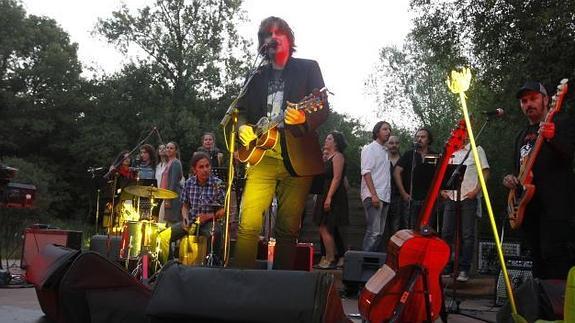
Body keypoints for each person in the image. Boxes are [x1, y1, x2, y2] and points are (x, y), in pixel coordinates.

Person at [233, 16, 329, 269]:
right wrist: (243, 126)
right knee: (247, 223)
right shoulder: (255, 75)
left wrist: (302, 118)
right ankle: (240, 283)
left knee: (287, 227)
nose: (272, 37)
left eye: (279, 33)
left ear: (289, 39)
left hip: (297, 158)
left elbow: (322, 109)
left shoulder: (308, 68)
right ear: (262, 42)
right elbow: (240, 109)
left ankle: (281, 287)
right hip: (260, 157)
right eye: (267, 34)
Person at [503, 81, 575, 279]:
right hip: (529, 209)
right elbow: (518, 170)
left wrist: (552, 138)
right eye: (524, 101)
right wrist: (509, 179)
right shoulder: (521, 136)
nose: (528, 104)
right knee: (537, 261)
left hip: (556, 208)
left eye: (533, 98)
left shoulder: (561, 124)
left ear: (546, 99)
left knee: (556, 260)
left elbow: (569, 155)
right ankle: (541, 308)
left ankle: (560, 308)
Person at [158, 152, 225, 264]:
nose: (205, 170)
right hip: (191, 222)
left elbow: (224, 210)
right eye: (201, 167)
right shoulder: (189, 183)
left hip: (210, 222)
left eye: (207, 166)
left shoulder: (218, 184)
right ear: (195, 170)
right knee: (162, 237)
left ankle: (213, 266)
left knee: (216, 233)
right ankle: (168, 267)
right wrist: (184, 218)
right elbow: (185, 205)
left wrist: (208, 216)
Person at [441, 139, 490, 282]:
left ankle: (464, 268)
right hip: (451, 195)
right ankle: (447, 266)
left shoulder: (477, 149)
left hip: (469, 195)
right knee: (446, 232)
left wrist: (476, 190)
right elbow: (444, 172)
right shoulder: (451, 150)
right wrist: (442, 190)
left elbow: (485, 171)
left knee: (467, 234)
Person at [313, 132, 349, 269]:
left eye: (329, 138)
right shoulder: (328, 158)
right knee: (322, 227)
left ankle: (331, 258)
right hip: (324, 192)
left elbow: (337, 178)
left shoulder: (338, 156)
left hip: (333, 194)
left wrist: (329, 197)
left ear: (336, 142)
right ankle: (329, 256)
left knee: (326, 226)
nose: (326, 140)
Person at [394, 128, 436, 230]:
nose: (419, 139)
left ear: (428, 140)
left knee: (427, 228)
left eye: (423, 137)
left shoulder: (434, 155)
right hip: (411, 198)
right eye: (417, 137)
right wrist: (403, 193)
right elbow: (396, 172)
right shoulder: (409, 154)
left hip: (429, 199)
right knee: (411, 228)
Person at [361, 121, 392, 252]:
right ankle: (363, 263)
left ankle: (370, 264)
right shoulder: (370, 148)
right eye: (385, 129)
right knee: (373, 232)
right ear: (377, 132)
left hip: (385, 196)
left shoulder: (385, 151)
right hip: (374, 195)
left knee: (379, 233)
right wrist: (374, 195)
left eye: (389, 129)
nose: (388, 132)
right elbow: (366, 172)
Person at [383, 135, 403, 246]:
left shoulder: (403, 159)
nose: (394, 145)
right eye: (391, 143)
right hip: (383, 196)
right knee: (382, 227)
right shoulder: (382, 158)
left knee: (396, 227)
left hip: (398, 197)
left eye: (396, 143)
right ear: (386, 144)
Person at [160, 141, 184, 225]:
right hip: (168, 196)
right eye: (167, 147)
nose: (169, 150)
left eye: (171, 148)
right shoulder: (169, 162)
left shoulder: (175, 163)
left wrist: (168, 199)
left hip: (173, 197)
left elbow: (173, 182)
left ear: (176, 151)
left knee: (172, 221)